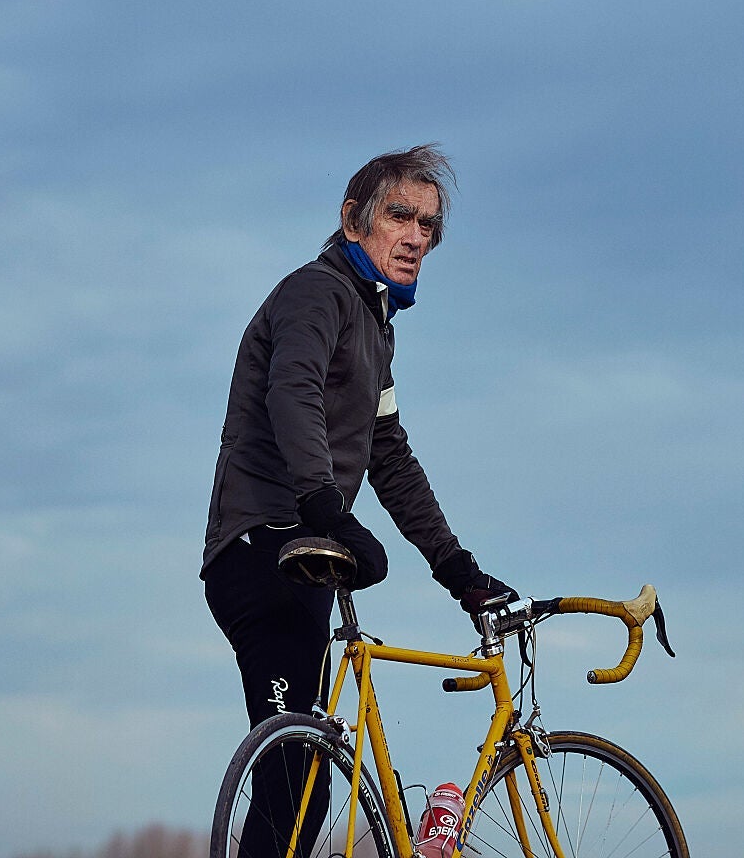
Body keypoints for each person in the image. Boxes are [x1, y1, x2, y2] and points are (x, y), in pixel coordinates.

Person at [200, 144, 514, 855]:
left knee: (306, 800)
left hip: (306, 557)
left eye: (428, 225)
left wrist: (457, 569)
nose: (415, 237)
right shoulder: (317, 293)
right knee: (289, 791)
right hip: (263, 548)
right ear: (354, 221)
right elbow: (294, 390)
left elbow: (391, 458)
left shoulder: (375, 327)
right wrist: (324, 504)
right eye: (399, 216)